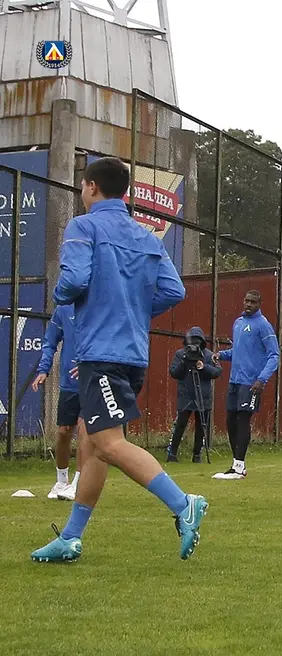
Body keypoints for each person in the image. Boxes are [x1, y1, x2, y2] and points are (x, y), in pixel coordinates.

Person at [31, 156, 204, 563]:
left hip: (101, 354)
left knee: (108, 443)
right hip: (132, 355)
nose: (81, 191)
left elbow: (73, 280)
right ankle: (71, 538)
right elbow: (174, 290)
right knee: (92, 445)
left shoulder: (84, 226)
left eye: (82, 185)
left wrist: (63, 297)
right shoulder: (146, 236)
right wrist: (132, 311)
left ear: (91, 187)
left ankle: (184, 504)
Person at [213, 290, 280, 480]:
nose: (249, 304)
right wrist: (221, 355)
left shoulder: (263, 325)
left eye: (253, 302)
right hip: (234, 380)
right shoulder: (238, 323)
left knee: (243, 419)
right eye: (247, 300)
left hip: (251, 382)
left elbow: (274, 355)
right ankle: (237, 465)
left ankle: (238, 467)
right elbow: (238, 351)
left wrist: (262, 379)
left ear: (259, 304)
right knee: (230, 421)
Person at [32, 304, 81, 500]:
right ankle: (62, 481)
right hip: (69, 384)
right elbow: (50, 341)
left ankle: (78, 484)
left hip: (94, 382)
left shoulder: (99, 303)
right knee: (64, 432)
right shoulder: (64, 310)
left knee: (86, 432)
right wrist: (43, 369)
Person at [166, 327, 221, 463]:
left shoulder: (208, 355)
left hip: (203, 396)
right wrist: (184, 362)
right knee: (180, 425)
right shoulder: (180, 354)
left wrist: (203, 367)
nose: (194, 346)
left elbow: (217, 372)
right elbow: (174, 373)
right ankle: (172, 453)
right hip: (185, 395)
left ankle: (197, 455)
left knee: (201, 427)